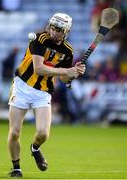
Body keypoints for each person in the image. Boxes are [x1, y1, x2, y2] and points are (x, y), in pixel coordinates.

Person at [7, 12, 86, 177]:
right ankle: (16, 168)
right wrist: (66, 70)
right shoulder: (38, 39)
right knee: (14, 132)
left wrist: (74, 73)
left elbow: (63, 78)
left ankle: (35, 148)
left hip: (43, 92)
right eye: (53, 28)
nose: (55, 32)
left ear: (67, 32)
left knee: (43, 133)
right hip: (22, 86)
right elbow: (39, 68)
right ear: (49, 26)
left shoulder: (68, 51)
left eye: (59, 29)